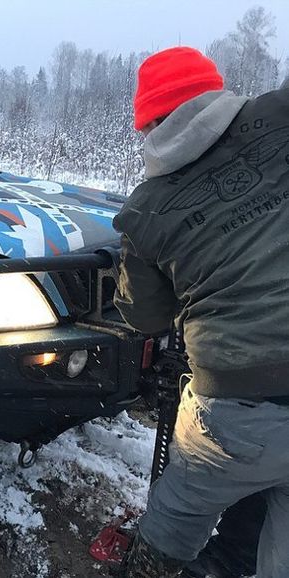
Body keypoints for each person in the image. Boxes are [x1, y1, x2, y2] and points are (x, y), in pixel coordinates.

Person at [113, 46, 289, 577]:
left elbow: (142, 318)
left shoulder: (144, 209)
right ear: (217, 90)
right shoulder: (280, 114)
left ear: (149, 124)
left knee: (176, 517)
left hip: (239, 405)